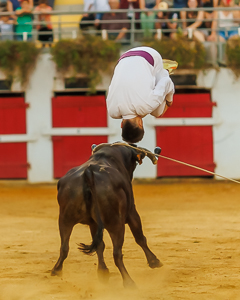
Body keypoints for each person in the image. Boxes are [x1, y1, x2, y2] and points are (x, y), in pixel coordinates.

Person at [106, 46, 175, 143]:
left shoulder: (146, 106)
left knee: (157, 112)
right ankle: (156, 74)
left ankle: (164, 71)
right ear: (122, 124)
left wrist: (169, 101)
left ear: (140, 124)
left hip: (150, 55)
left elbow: (167, 81)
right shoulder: (112, 111)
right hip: (124, 57)